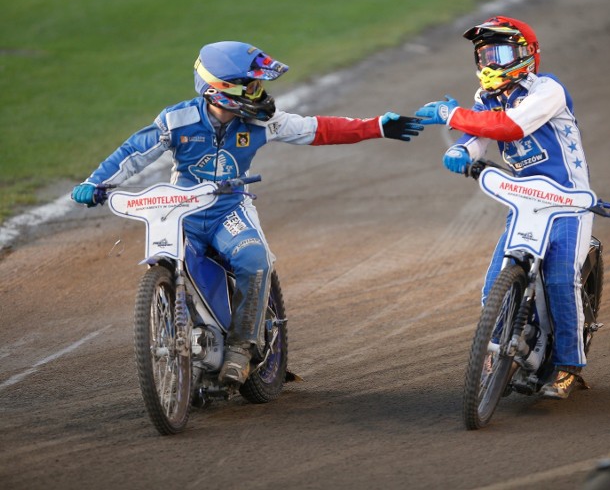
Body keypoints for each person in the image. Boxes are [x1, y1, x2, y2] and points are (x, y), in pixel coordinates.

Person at [71, 40, 423, 385]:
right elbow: (134, 151)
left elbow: (317, 129)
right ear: (221, 89)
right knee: (163, 261)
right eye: (251, 86)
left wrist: (376, 126)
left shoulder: (262, 122)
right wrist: (96, 183)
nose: (260, 94)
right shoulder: (175, 120)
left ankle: (242, 347)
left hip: (230, 209)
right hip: (181, 213)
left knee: (255, 260)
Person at [414, 15, 593, 399]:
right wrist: (462, 147)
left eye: (501, 53)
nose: (491, 63)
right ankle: (496, 352)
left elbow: (509, 127)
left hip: (567, 201)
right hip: (526, 201)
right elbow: (480, 133)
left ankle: (568, 366)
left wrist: (450, 114)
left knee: (561, 278)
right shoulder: (487, 98)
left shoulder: (548, 90)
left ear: (526, 54)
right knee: (494, 281)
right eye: (485, 55)